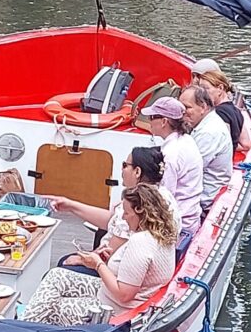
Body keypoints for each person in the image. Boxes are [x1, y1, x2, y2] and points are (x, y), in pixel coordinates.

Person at [23, 185, 178, 325]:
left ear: (140, 211)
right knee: (57, 275)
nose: (123, 217)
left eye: (126, 212)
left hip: (116, 312)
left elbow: (124, 295)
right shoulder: (164, 235)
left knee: (53, 306)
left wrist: (97, 264)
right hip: (109, 295)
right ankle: (25, 327)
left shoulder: (141, 242)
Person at [49, 146, 177, 257]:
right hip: (134, 270)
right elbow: (112, 220)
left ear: (137, 171)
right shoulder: (164, 195)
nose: (122, 170)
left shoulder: (137, 202)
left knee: (64, 263)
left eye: (125, 165)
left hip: (118, 273)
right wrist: (71, 205)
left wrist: (81, 258)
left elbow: (109, 253)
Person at [140, 96, 204, 233]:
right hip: (191, 216)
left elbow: (164, 196)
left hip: (180, 223)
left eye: (152, 117)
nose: (149, 122)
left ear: (164, 121)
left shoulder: (170, 154)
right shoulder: (187, 140)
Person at [180, 84, 233, 212]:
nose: (182, 112)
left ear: (203, 107)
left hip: (204, 201)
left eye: (187, 107)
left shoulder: (209, 133)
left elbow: (188, 170)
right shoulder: (205, 124)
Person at [191, 59, 251, 152]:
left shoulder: (217, 114)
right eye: (193, 76)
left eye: (199, 76)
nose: (195, 80)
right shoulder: (235, 110)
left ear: (220, 88)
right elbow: (246, 144)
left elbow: (222, 145)